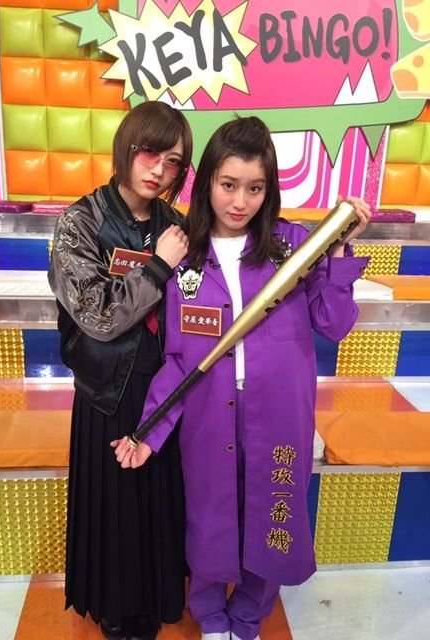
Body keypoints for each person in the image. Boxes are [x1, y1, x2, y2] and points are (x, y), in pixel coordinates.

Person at [112, 116, 372, 640]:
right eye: (228, 185)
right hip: (208, 417)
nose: (240, 202)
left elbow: (334, 323)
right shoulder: (186, 257)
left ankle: (249, 617)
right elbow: (180, 360)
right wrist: (149, 431)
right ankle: (211, 618)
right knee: (209, 519)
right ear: (207, 180)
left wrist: (339, 249)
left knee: (275, 516)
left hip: (279, 417)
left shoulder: (294, 246)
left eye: (255, 188)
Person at [48, 100, 193, 640]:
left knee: (156, 501)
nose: (159, 169)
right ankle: (113, 606)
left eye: (174, 161)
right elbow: (97, 315)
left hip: (162, 388)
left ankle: (153, 600)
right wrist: (158, 268)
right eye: (150, 153)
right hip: (106, 391)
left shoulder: (176, 225)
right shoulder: (80, 221)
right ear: (127, 149)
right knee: (113, 505)